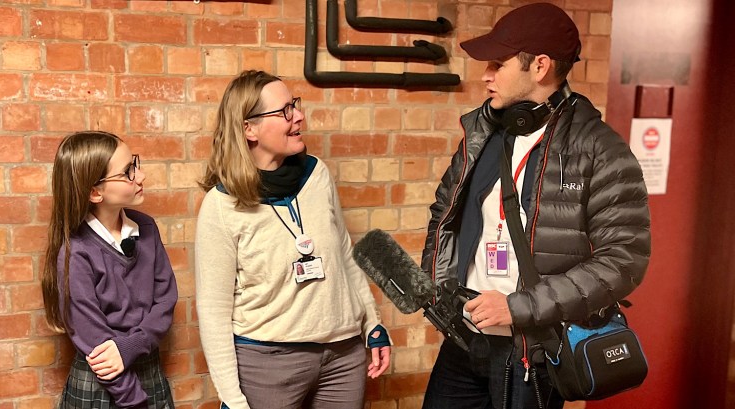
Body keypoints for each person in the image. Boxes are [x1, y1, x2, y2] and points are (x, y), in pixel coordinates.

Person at [419, 4, 651, 409]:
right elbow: (444, 215)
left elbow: (622, 262)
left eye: (498, 63)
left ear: (540, 66)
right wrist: (438, 289)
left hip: (534, 353)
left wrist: (516, 307)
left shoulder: (600, 150)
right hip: (465, 341)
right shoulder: (483, 134)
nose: (486, 74)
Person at [194, 70, 392, 409]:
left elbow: (345, 255)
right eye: (284, 110)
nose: (298, 116)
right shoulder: (221, 204)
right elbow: (213, 312)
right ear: (248, 128)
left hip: (343, 357)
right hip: (268, 362)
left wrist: (372, 322)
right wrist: (232, 399)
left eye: (295, 106)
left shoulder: (317, 174)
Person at [41, 131, 178, 409]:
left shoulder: (147, 228)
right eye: (128, 171)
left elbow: (165, 301)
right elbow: (95, 342)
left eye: (136, 164)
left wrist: (131, 345)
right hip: (102, 388)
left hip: (149, 372)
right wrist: (134, 400)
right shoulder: (75, 252)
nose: (141, 176)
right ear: (95, 192)